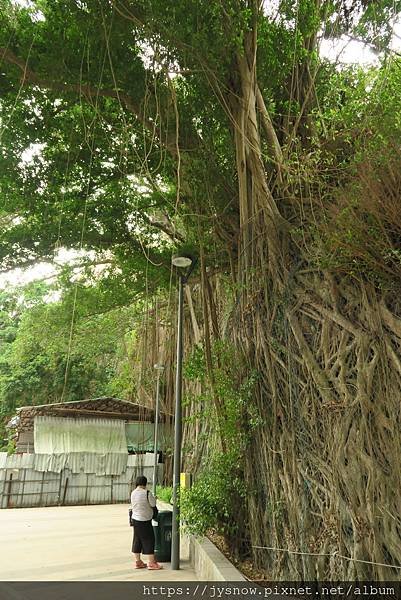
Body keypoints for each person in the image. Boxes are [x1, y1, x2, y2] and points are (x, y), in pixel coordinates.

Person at [130, 475, 163, 570]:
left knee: (137, 540)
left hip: (135, 520)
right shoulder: (147, 493)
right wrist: (154, 498)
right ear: (145, 483)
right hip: (144, 520)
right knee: (149, 540)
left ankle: (138, 562)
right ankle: (152, 563)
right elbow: (153, 504)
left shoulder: (133, 493)